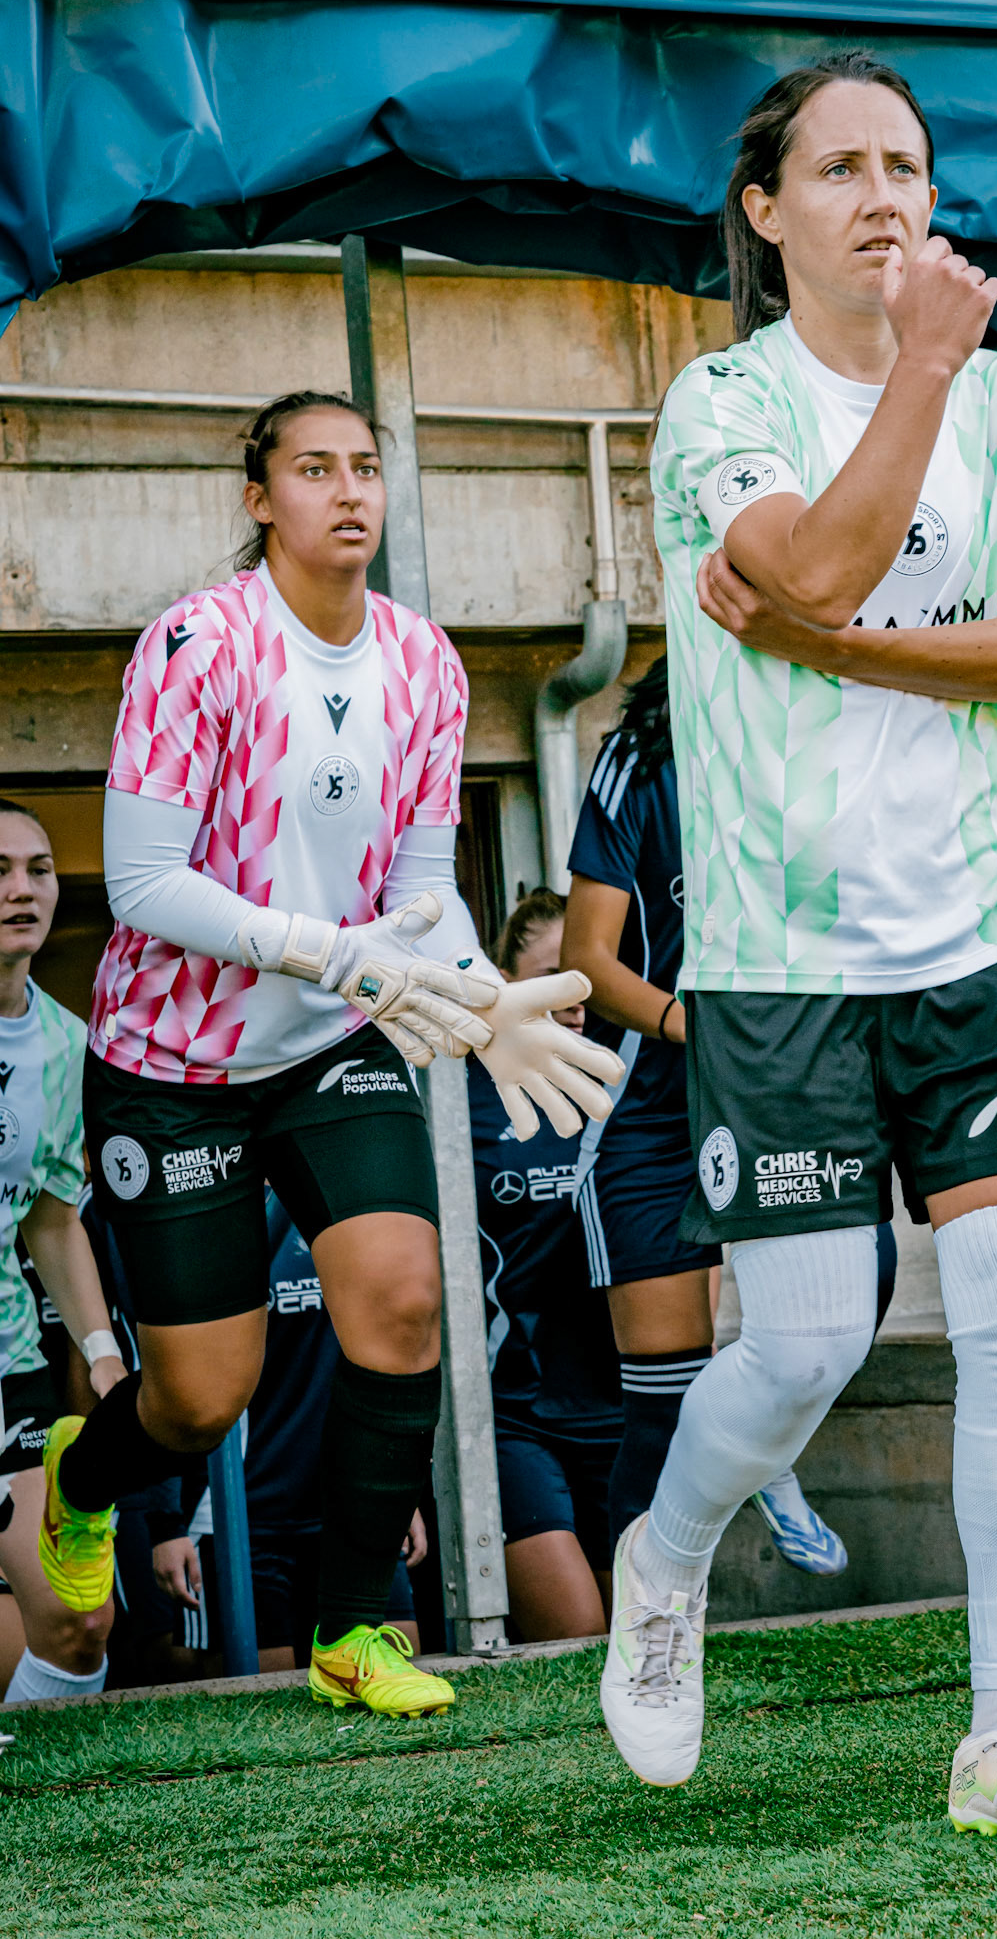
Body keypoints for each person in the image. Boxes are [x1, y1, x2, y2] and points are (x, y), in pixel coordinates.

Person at [599, 51, 997, 1846]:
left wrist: (838, 649)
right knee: (808, 1345)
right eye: (840, 169)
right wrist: (914, 378)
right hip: (781, 954)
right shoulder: (717, 407)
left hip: (979, 935)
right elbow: (813, 559)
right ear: (769, 213)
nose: (886, 195)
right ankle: (662, 1565)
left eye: (906, 163)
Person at [39, 387, 622, 1721]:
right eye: (315, 469)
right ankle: (82, 1475)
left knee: (406, 1302)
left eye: (367, 467)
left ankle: (351, 1631)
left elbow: (422, 892)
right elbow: (141, 886)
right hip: (174, 1067)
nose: (350, 491)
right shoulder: (198, 645)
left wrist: (478, 993)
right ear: (260, 498)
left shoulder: (425, 661)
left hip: (329, 1045)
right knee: (201, 1395)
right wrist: (341, 953)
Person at [564, 657, 885, 1574]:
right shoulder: (640, 756)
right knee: (660, 1404)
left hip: (793, 1098)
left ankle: (765, 1446)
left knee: (857, 1299)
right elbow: (589, 958)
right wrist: (689, 1027)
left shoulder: (826, 741)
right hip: (657, 1108)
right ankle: (642, 1639)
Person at [146, 1189, 427, 1672]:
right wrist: (167, 1523)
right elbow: (168, 1382)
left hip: (350, 1504)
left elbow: (377, 1363)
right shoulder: (208, 1211)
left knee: (398, 1668)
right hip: (239, 1518)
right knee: (267, 1702)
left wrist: (393, 1488)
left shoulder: (342, 1195)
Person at [0, 797, 127, 1704]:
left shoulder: (63, 1042)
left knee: (77, 1624)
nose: (21, 890)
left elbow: (50, 1220)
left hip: (8, 1363)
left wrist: (104, 1357)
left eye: (39, 870)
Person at [472, 890, 624, 1641]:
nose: (574, 1001)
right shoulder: (469, 1094)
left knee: (647, 1642)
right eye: (551, 977)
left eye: (587, 978)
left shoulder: (637, 1084)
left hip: (625, 1406)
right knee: (574, 1634)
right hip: (512, 1408)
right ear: (506, 981)